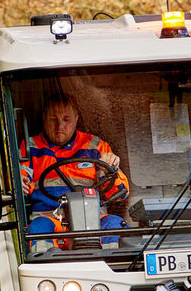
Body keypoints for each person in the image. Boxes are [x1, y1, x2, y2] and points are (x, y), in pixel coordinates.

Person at [20, 94, 129, 253]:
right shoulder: (30, 147)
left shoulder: (95, 146)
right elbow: (21, 178)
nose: (60, 126)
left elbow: (121, 193)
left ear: (76, 120)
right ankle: (47, 274)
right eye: (53, 119)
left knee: (116, 225)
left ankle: (111, 265)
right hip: (50, 218)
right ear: (44, 118)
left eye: (66, 120)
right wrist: (20, 182)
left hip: (94, 219)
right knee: (38, 228)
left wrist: (108, 170)